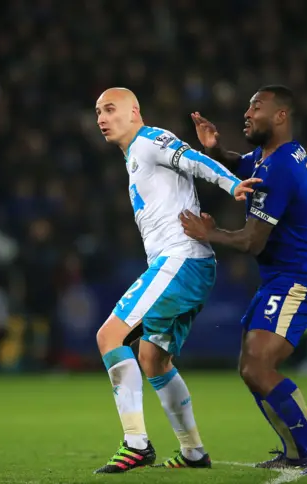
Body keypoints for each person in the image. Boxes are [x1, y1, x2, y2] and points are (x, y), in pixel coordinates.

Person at [181, 85, 307, 475]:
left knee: (258, 367)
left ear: (280, 116)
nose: (247, 112)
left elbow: (252, 242)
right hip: (282, 278)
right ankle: (295, 451)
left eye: (256, 106)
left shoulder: (280, 169)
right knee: (250, 367)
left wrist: (211, 234)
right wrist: (214, 151)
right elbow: (241, 163)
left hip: (300, 278)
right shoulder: (276, 155)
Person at [93, 87, 258, 473]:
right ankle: (193, 453)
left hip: (180, 260)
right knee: (152, 358)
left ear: (135, 111)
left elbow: (195, 160)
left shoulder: (150, 139)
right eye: (98, 111)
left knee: (109, 336)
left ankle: (136, 444)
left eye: (110, 109)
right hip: (187, 263)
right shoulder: (134, 155)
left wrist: (231, 184)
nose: (102, 118)